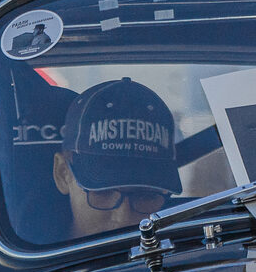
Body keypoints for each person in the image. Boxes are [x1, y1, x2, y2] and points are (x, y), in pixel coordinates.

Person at [52, 78, 180, 239]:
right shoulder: (25, 253)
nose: (124, 219)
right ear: (63, 174)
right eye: (103, 193)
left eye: (146, 195)